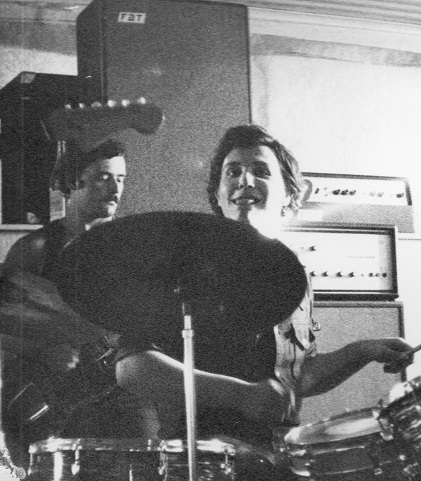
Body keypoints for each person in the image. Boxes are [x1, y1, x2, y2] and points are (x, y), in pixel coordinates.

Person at [114, 124, 414, 477]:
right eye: (233, 172)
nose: (245, 180)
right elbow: (132, 368)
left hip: (279, 459)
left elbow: (295, 377)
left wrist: (362, 351)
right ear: (218, 194)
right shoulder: (184, 268)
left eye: (261, 171)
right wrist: (239, 394)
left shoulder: (295, 277)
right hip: (203, 462)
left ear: (289, 194)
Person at [1, 138, 128, 467]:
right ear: (73, 181)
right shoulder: (34, 249)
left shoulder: (129, 252)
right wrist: (43, 350)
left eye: (121, 179)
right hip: (40, 400)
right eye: (104, 177)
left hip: (112, 393)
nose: (115, 188)